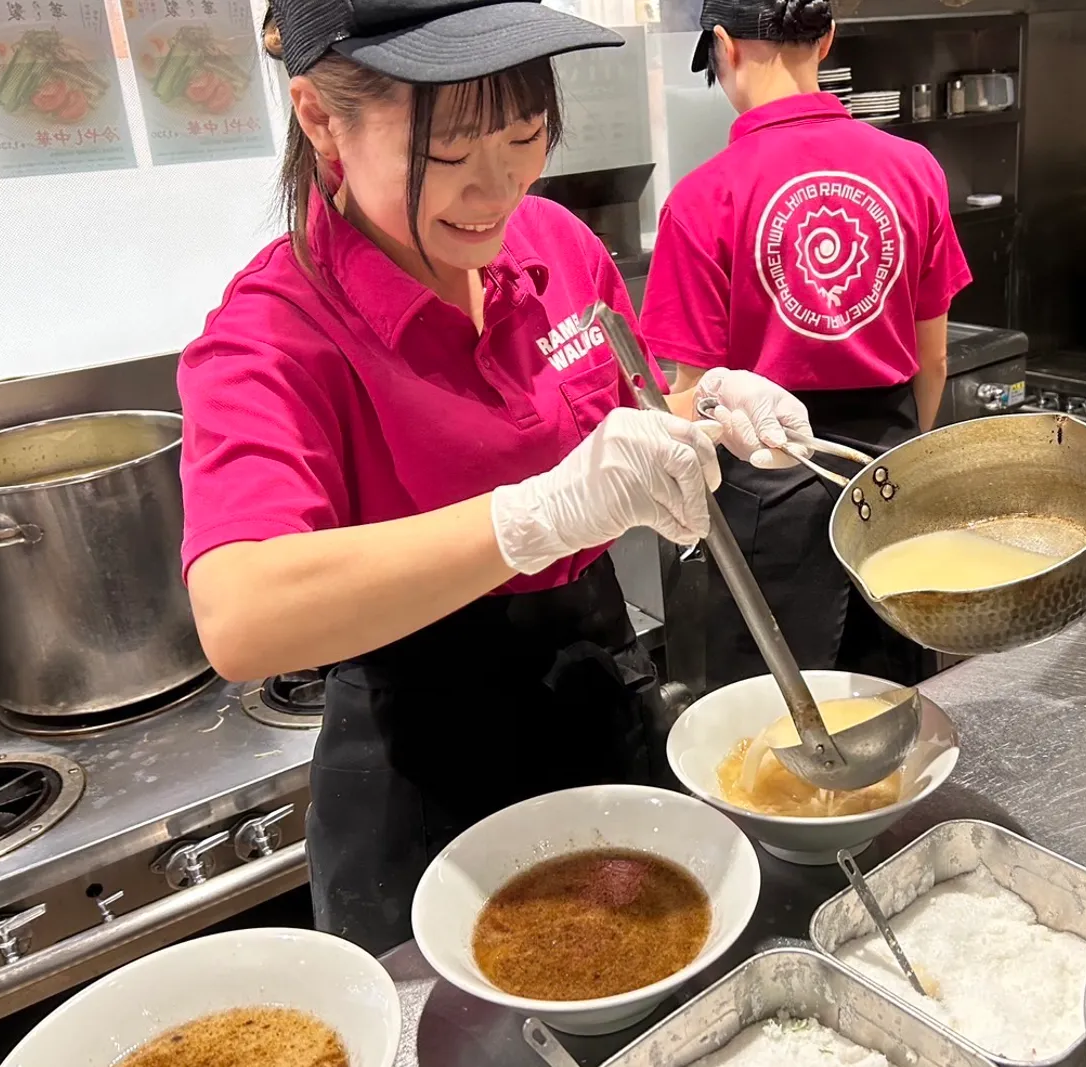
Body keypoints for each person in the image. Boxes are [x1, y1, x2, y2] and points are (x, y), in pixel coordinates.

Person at [177, 0, 810, 955]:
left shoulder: (555, 246)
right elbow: (239, 613)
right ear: (319, 118)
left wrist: (709, 415)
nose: (496, 188)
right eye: (449, 152)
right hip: (426, 761)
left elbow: (620, 425)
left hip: (603, 703)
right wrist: (534, 516)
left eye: (523, 136)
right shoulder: (274, 330)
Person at [638, 0, 972, 691]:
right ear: (827, 40)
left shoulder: (703, 200)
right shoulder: (917, 172)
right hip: (887, 475)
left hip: (766, 492)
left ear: (723, 46)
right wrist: (890, 458)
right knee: (893, 706)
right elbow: (932, 361)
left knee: (775, 724)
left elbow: (690, 402)